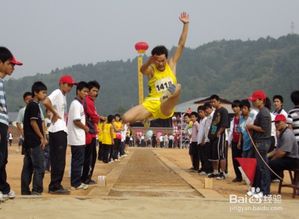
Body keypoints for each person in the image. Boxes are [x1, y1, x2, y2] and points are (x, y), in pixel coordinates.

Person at [122, 12, 189, 124]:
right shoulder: (152, 69)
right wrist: (149, 61)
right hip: (151, 103)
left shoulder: (171, 64)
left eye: (163, 61)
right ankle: (149, 116)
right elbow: (142, 70)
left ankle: (157, 107)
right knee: (125, 117)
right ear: (154, 60)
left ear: (166, 59)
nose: (161, 64)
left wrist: (186, 24)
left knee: (177, 87)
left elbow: (181, 44)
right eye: (158, 61)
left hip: (165, 104)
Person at [43, 75, 76, 194]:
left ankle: (56, 184)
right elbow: (46, 101)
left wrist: (52, 113)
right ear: (62, 83)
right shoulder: (57, 92)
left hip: (60, 129)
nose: (70, 87)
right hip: (57, 130)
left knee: (59, 159)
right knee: (58, 159)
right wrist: (54, 113)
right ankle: (55, 185)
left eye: (71, 85)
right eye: (68, 85)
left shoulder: (63, 96)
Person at [0, 47, 22, 200]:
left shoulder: (1, 83)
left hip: (2, 123)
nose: (13, 67)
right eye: (10, 64)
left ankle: (3, 187)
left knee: (3, 158)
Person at [21, 81, 48, 195]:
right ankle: (36, 190)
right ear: (36, 93)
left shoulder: (33, 105)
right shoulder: (33, 105)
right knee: (39, 167)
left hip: (29, 142)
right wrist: (42, 137)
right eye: (43, 92)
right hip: (34, 142)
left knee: (28, 167)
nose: (45, 95)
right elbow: (33, 123)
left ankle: (25, 191)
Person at [247, 90, 272, 196]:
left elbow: (264, 129)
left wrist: (251, 126)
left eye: (255, 100)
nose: (253, 102)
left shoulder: (264, 113)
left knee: (263, 167)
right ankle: (261, 189)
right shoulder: (261, 112)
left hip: (262, 142)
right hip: (259, 142)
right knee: (260, 167)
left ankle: (265, 191)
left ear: (261, 100)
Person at [67, 82, 89, 190]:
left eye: (87, 92)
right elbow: (76, 120)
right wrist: (85, 128)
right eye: (84, 91)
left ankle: (77, 181)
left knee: (78, 161)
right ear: (78, 91)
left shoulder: (79, 104)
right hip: (76, 137)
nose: (86, 94)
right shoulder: (76, 104)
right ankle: (75, 183)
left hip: (79, 137)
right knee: (77, 161)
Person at [268, 114, 299, 180]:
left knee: (272, 163)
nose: (276, 124)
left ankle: (269, 180)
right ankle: (274, 177)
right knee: (268, 160)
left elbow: (282, 153)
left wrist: (272, 159)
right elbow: (277, 150)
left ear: (284, 122)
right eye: (275, 122)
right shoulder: (281, 133)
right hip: (287, 158)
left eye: (278, 122)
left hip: (293, 160)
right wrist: (267, 155)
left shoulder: (287, 134)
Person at [82, 81, 100, 185]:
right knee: (90, 157)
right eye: (93, 90)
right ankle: (86, 178)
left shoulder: (90, 102)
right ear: (89, 91)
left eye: (97, 91)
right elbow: (93, 116)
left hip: (91, 132)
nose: (95, 93)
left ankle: (86, 177)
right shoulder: (88, 101)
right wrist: (97, 118)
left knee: (91, 156)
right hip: (89, 133)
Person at [208, 95, 229, 180]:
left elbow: (224, 124)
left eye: (214, 102)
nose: (213, 103)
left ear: (218, 101)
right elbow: (214, 124)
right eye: (211, 102)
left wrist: (219, 133)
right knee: (214, 154)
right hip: (213, 136)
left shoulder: (224, 111)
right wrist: (211, 135)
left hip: (220, 135)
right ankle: (215, 171)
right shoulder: (215, 111)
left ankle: (223, 172)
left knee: (221, 154)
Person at [227, 100, 242, 183]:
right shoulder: (233, 119)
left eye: (236, 107)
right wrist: (229, 141)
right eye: (233, 107)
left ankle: (244, 175)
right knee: (235, 159)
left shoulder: (242, 118)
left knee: (242, 159)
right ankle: (238, 176)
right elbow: (231, 131)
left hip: (241, 142)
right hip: (234, 141)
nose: (235, 109)